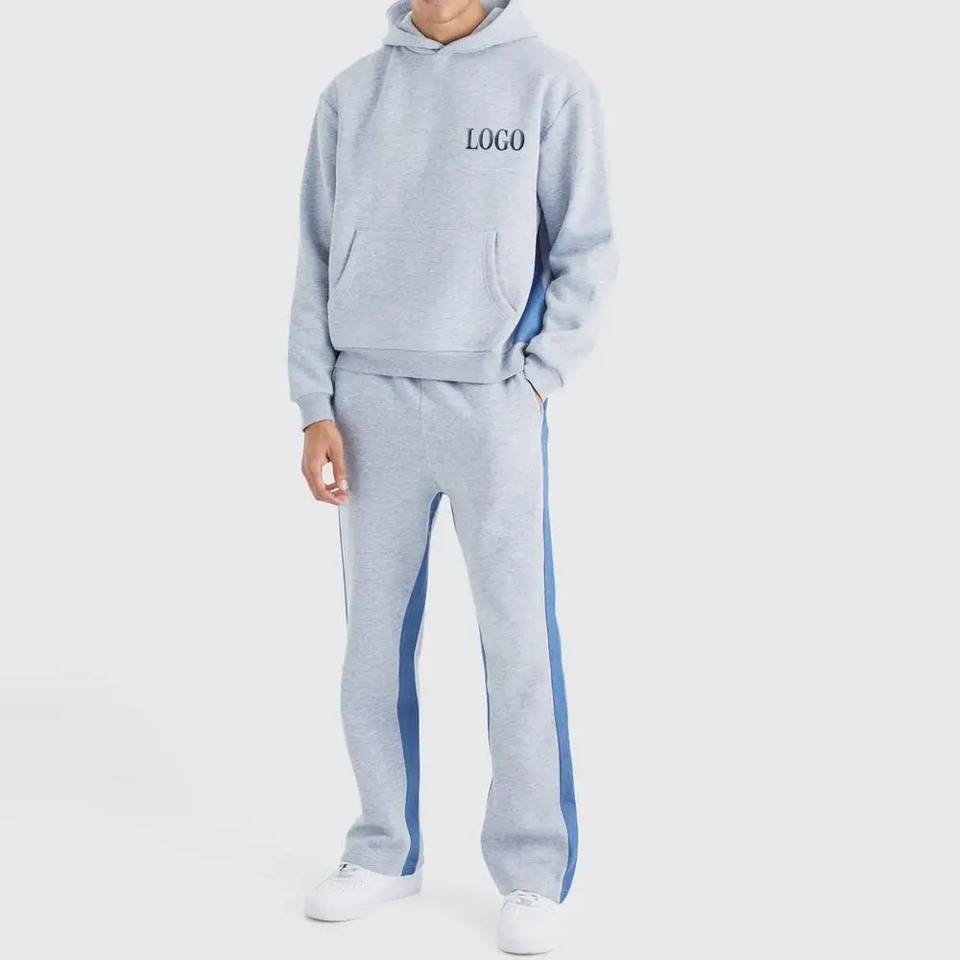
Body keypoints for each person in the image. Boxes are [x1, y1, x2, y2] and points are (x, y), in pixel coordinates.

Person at [288, 0, 616, 952]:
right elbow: (312, 256)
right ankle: (383, 850)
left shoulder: (550, 85)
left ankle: (532, 871)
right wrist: (314, 403)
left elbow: (588, 246)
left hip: (492, 400)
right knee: (372, 643)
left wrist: (540, 378)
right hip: (366, 402)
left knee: (516, 641)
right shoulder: (352, 94)